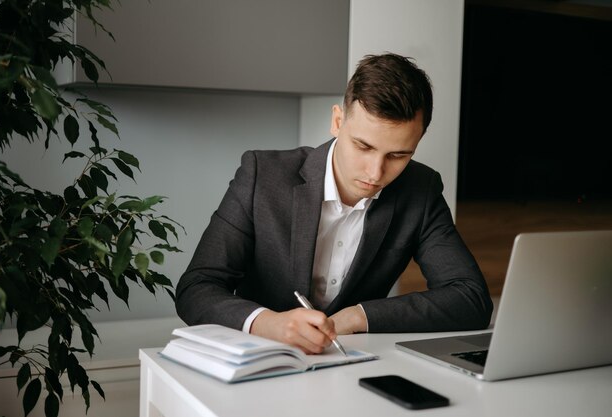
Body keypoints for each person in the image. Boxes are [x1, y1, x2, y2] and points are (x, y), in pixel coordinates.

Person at [176, 53, 493, 354]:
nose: (376, 172)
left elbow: (471, 299)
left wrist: (357, 317)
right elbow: (196, 288)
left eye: (399, 155)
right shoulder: (262, 175)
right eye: (363, 146)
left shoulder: (420, 189)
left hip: (352, 365)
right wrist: (267, 323)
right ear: (337, 121)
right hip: (260, 361)